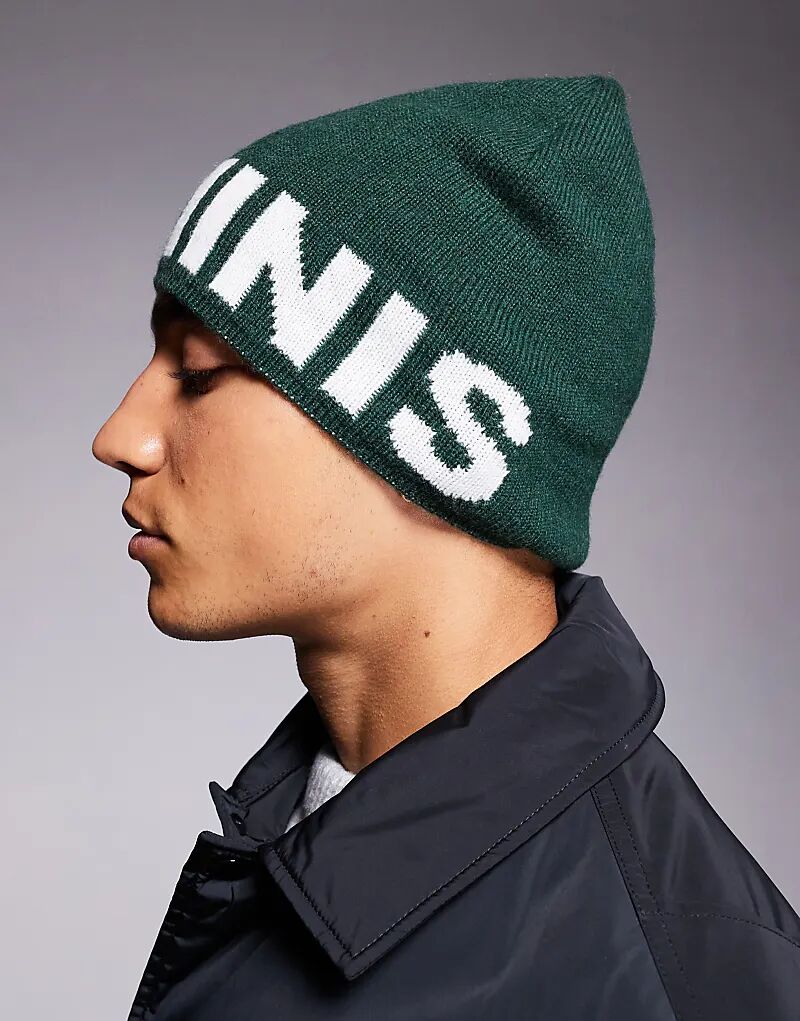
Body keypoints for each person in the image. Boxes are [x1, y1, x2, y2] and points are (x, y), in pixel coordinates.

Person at [92, 75, 800, 1020]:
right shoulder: (302, 834)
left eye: (197, 372)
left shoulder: (677, 982)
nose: (120, 436)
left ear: (434, 432)